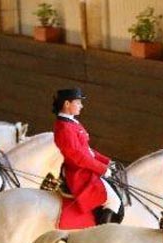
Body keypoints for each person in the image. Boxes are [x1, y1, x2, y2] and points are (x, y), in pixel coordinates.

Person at [52, 87, 121, 225]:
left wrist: (107, 162)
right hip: (79, 172)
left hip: (85, 167)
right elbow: (78, 157)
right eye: (78, 102)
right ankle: (99, 235)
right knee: (113, 201)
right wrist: (102, 169)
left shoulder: (71, 123)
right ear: (67, 104)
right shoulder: (64, 128)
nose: (81, 106)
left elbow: (87, 151)